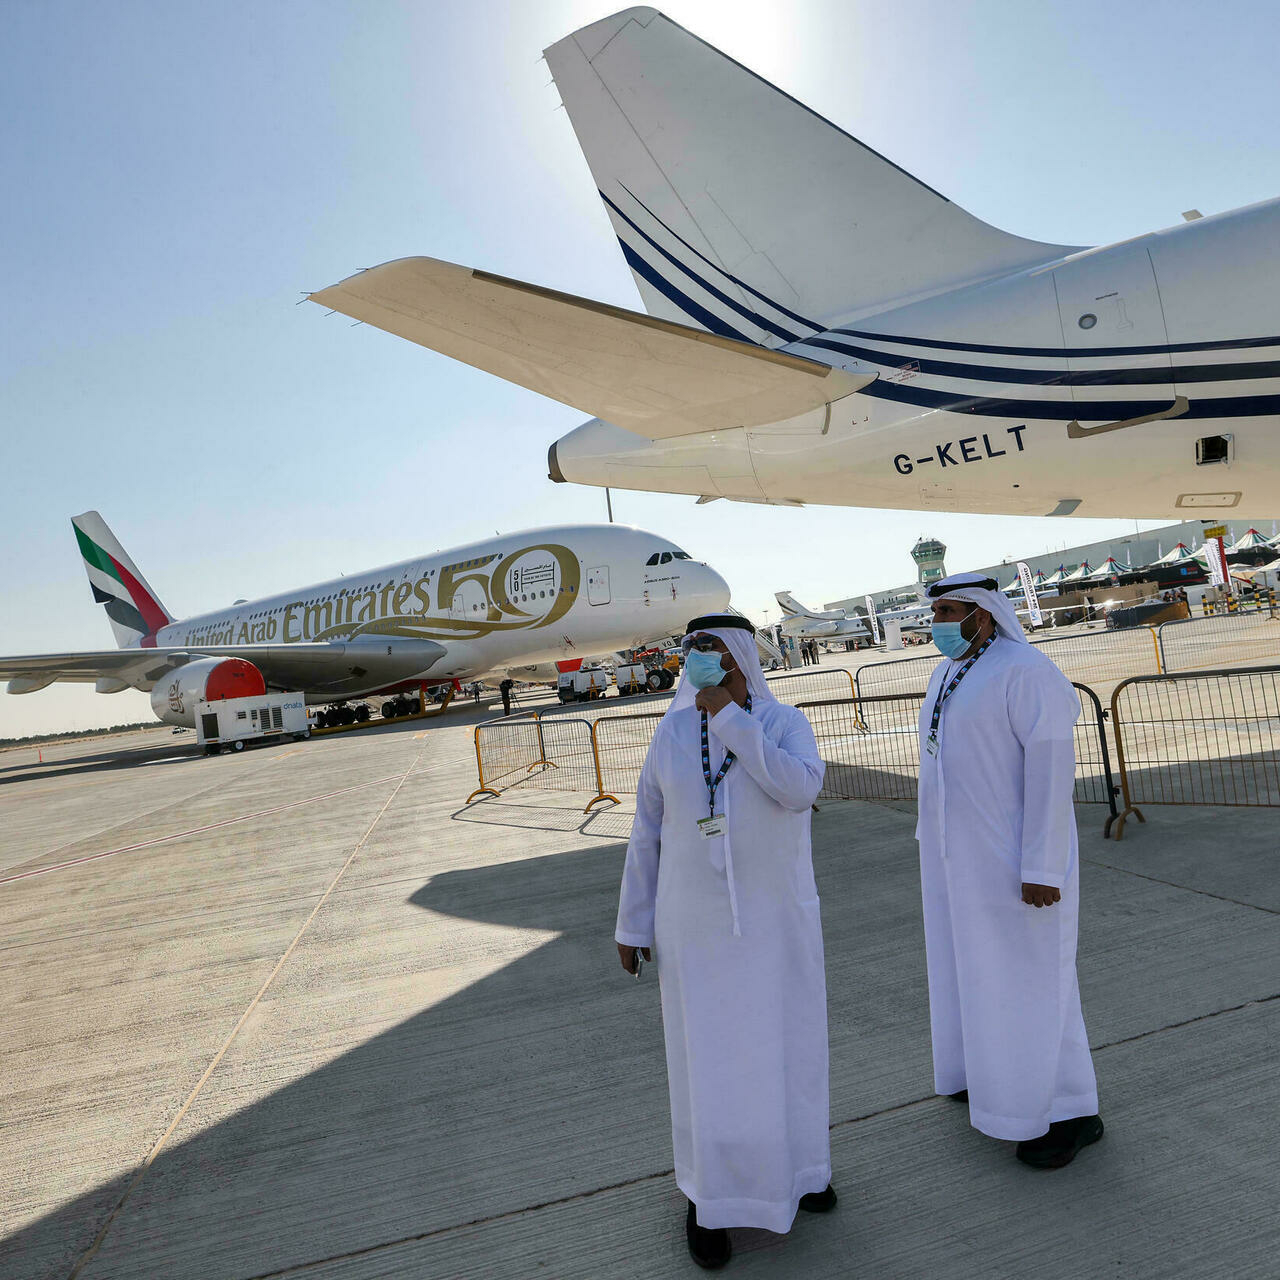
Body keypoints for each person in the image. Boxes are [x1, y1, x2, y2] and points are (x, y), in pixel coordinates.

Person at [615, 614, 833, 1269]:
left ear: (739, 656)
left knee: (787, 1052)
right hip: (695, 933)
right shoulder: (671, 732)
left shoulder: (783, 723)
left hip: (775, 926)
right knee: (708, 1068)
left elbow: (798, 789)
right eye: (692, 649)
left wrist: (730, 717)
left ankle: (803, 1172)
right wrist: (632, 922)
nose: (698, 657)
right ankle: (708, 1199)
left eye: (710, 647)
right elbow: (647, 828)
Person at [916, 572, 1103, 1170]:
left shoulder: (1026, 671)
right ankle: (993, 1080)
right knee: (976, 976)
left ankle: (1070, 1110)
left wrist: (1042, 865)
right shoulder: (947, 673)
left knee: (1034, 983)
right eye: (935, 612)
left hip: (1017, 864)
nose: (938, 622)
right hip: (959, 863)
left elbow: (1050, 773)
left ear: (983, 614)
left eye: (948, 611)